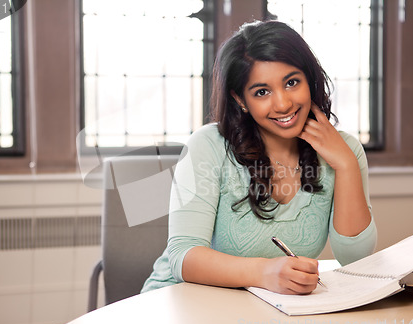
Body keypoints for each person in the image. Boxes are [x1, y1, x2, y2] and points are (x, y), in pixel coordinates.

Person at [141, 20, 377, 295]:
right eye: (262, 92)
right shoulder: (208, 146)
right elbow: (183, 256)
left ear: (309, 80)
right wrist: (264, 272)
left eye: (292, 82)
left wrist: (346, 165)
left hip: (265, 310)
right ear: (240, 99)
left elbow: (355, 258)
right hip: (179, 300)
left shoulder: (344, 151)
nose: (283, 104)